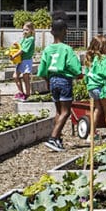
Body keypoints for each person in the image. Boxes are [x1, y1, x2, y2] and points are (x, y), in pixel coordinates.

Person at [37, 16, 82, 152]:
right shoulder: (67, 49)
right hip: (64, 80)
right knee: (66, 111)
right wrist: (79, 75)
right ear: (65, 31)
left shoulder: (47, 49)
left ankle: (57, 139)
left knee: (58, 111)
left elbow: (42, 70)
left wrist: (47, 81)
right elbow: (75, 67)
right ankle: (53, 137)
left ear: (51, 32)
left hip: (52, 80)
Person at [84, 34, 106, 138]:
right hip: (101, 87)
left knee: (97, 109)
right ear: (102, 48)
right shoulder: (103, 59)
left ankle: (92, 133)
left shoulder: (90, 59)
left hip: (92, 87)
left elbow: (86, 73)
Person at [13, 21, 36, 101]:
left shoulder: (31, 39)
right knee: (15, 76)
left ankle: (27, 94)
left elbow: (23, 50)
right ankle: (21, 93)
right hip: (20, 60)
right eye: (23, 30)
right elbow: (20, 46)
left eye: (26, 30)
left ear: (31, 30)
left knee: (25, 77)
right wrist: (16, 45)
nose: (24, 32)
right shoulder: (24, 38)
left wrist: (14, 55)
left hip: (26, 60)